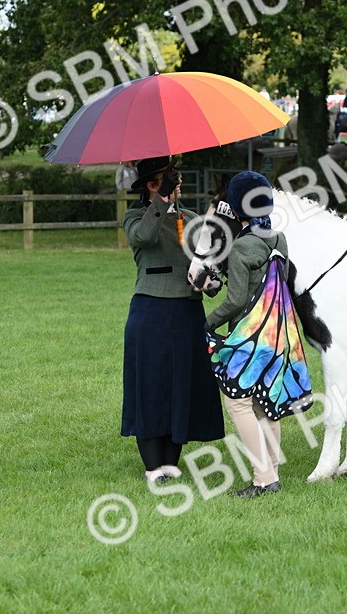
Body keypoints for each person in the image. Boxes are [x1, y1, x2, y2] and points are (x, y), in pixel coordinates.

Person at [206, 172, 310, 498]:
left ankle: (263, 477)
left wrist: (207, 322)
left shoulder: (241, 246)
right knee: (265, 402)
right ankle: (272, 471)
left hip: (249, 336)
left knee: (238, 403)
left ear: (237, 209)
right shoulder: (280, 239)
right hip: (278, 335)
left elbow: (236, 301)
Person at [122, 156, 224, 486]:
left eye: (169, 180)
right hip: (150, 311)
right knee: (151, 386)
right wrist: (161, 201)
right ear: (148, 188)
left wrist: (211, 281)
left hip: (187, 313)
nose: (166, 186)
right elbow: (143, 237)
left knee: (182, 385)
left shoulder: (191, 219)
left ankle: (171, 461)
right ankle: (153, 466)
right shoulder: (135, 216)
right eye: (157, 182)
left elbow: (207, 266)